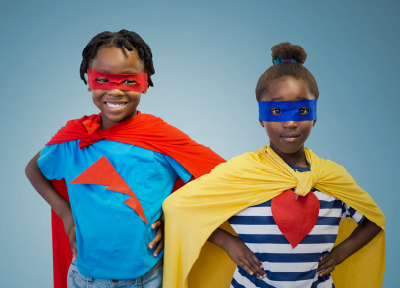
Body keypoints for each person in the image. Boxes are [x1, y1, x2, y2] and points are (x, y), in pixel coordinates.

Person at [162, 42, 386, 288]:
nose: (290, 123)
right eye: (277, 110)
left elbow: (374, 220)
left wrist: (339, 255)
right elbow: (180, 209)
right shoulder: (243, 174)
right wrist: (229, 242)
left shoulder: (330, 178)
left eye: (301, 109)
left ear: (314, 115)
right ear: (261, 117)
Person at [25, 30, 225, 288]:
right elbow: (34, 169)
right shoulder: (74, 138)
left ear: (145, 82)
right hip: (83, 278)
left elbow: (218, 178)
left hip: (147, 278)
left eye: (128, 81)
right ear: (89, 80)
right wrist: (65, 212)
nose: (116, 91)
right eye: (104, 79)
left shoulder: (160, 137)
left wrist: (174, 217)